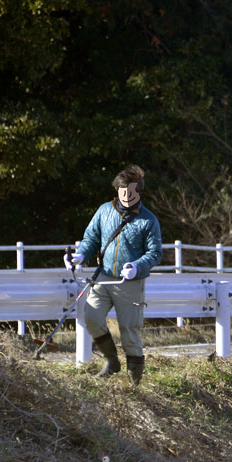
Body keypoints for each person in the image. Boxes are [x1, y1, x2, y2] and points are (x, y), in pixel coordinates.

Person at [65, 165, 163, 385]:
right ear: (117, 191)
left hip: (129, 282)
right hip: (103, 277)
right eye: (123, 192)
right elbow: (91, 238)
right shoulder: (104, 211)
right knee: (91, 317)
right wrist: (80, 256)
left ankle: (134, 382)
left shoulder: (149, 221)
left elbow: (155, 253)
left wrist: (137, 266)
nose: (127, 196)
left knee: (130, 330)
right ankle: (112, 362)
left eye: (132, 192)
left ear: (140, 192)